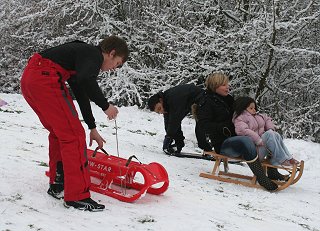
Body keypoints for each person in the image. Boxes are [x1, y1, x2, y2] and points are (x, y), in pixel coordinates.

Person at [20, 35, 129, 211]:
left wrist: (92, 127)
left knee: (61, 133)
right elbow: (87, 80)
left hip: (31, 80)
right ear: (111, 53)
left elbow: (82, 95)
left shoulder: (81, 59)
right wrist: (105, 106)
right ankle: (77, 196)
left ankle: (59, 183)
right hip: (45, 79)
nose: (112, 69)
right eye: (116, 64)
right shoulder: (93, 55)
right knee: (74, 136)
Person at [193, 72, 278, 191]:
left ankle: (273, 171)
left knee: (269, 135)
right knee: (246, 140)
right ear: (215, 85)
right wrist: (223, 127)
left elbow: (241, 115)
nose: (228, 87)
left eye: (227, 84)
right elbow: (203, 125)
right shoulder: (206, 102)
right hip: (223, 144)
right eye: (224, 85)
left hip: (237, 137)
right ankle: (261, 177)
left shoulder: (228, 99)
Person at [233, 96, 299, 167]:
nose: (254, 110)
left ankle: (288, 158)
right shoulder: (240, 118)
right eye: (251, 108)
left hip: (261, 147)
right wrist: (257, 139)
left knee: (275, 134)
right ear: (243, 108)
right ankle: (282, 160)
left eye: (254, 108)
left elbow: (267, 119)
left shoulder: (258, 116)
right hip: (252, 152)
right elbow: (243, 131)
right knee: (269, 134)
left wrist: (270, 128)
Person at [148, 84, 204, 155]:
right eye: (158, 112)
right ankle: (179, 145)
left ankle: (209, 150)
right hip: (193, 102)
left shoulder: (172, 99)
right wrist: (178, 142)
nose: (161, 111)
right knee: (172, 124)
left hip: (202, 99)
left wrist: (168, 138)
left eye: (159, 108)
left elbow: (175, 120)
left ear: (160, 100)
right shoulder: (166, 103)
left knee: (201, 126)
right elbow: (168, 123)